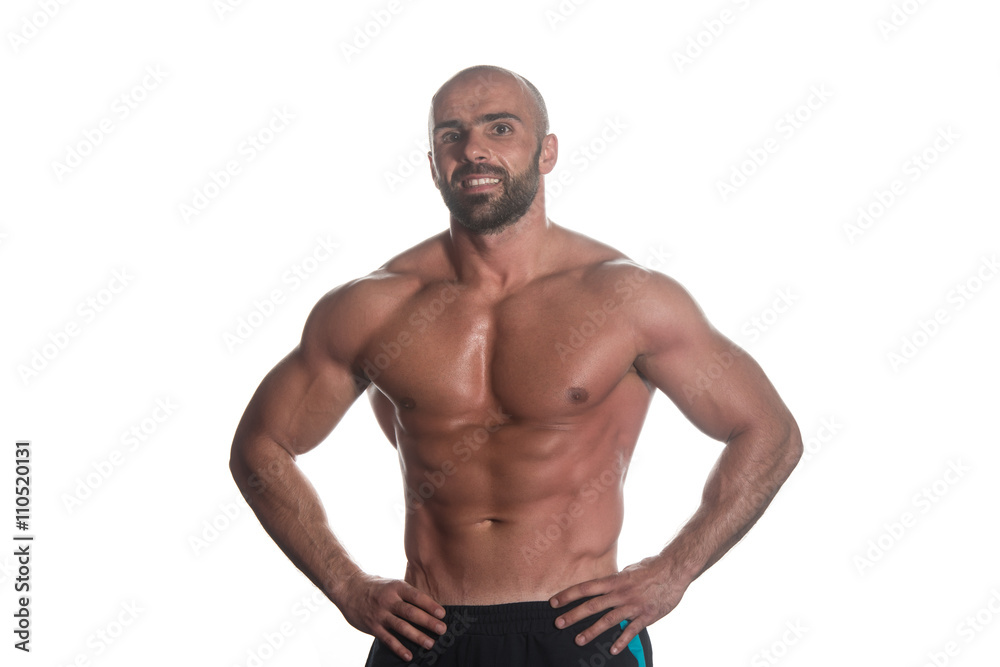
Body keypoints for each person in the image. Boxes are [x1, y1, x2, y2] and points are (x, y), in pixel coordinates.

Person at [229, 65, 803, 667]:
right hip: (423, 634)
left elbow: (769, 431)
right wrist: (346, 585)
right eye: (451, 135)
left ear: (546, 151)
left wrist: (673, 571)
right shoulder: (374, 307)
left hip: (578, 630)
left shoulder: (628, 299)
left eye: (499, 128)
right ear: (432, 163)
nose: (473, 149)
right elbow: (260, 448)